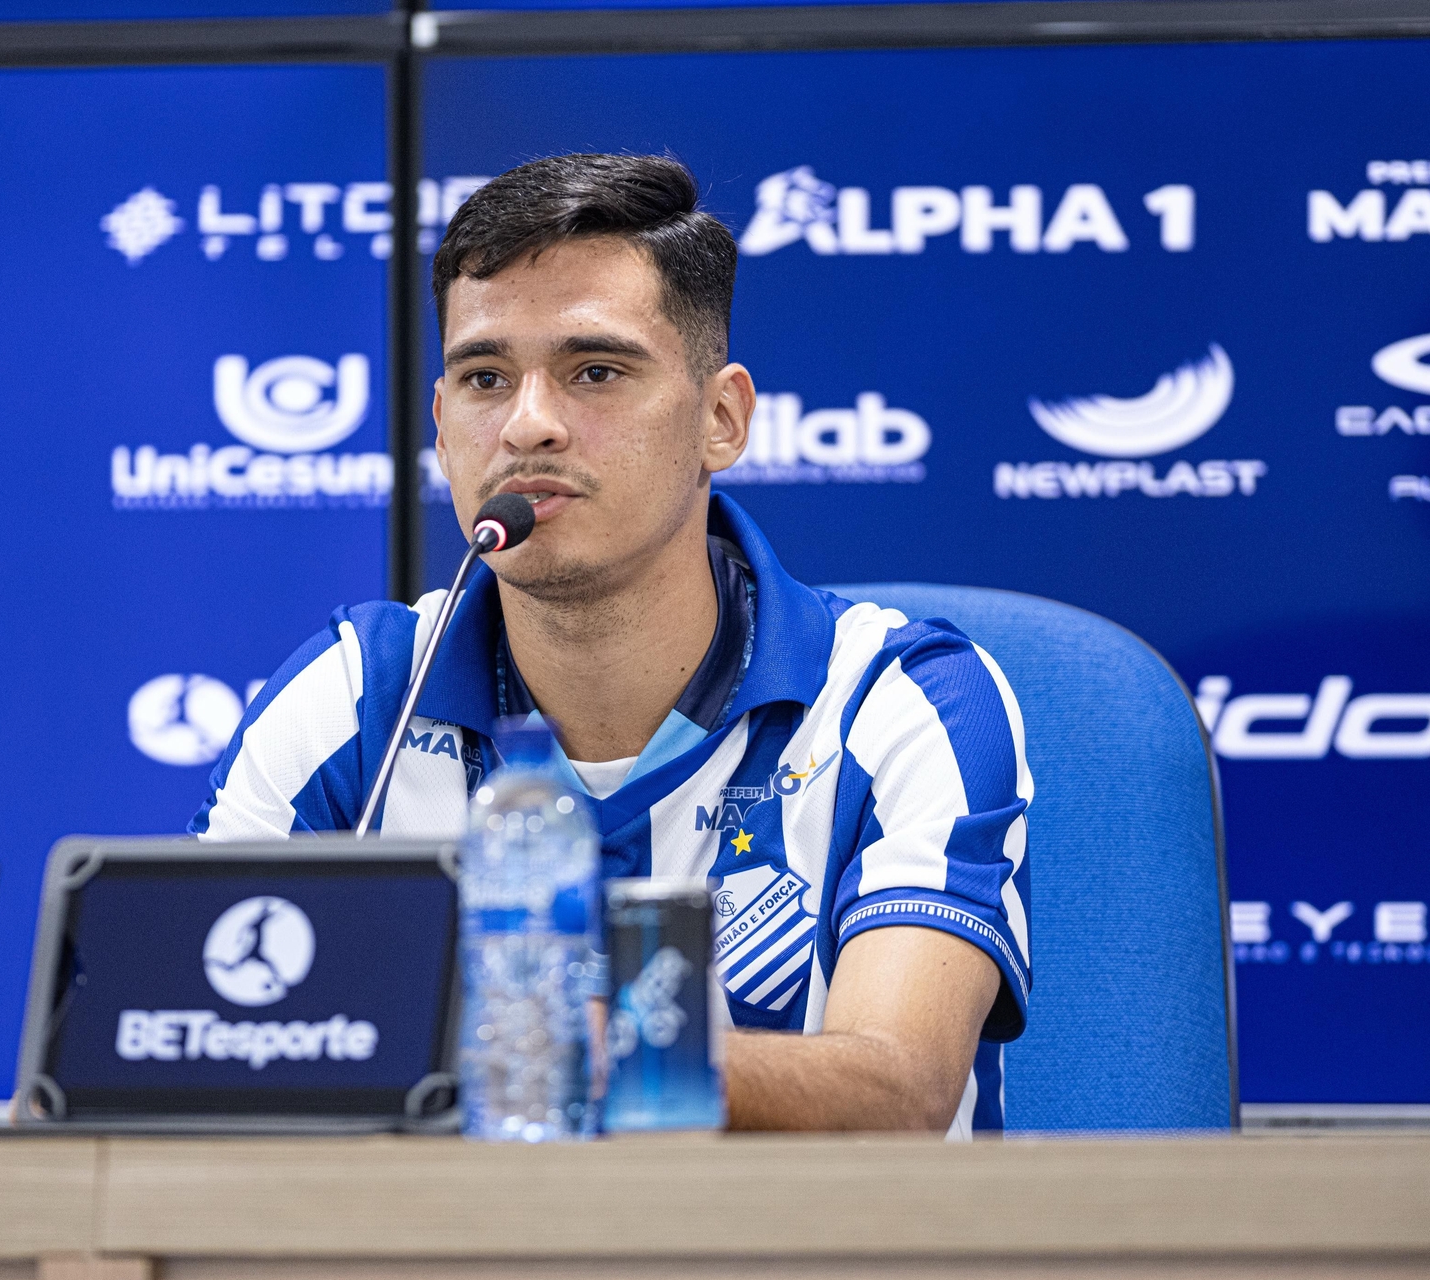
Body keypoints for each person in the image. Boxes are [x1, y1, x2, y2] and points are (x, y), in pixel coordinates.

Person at [194, 154, 1031, 1137]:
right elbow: (196, 1042)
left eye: (595, 370)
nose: (529, 423)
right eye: (484, 376)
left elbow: (900, 1088)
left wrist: (534, 1043)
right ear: (443, 429)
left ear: (721, 419)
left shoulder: (897, 699)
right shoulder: (353, 695)